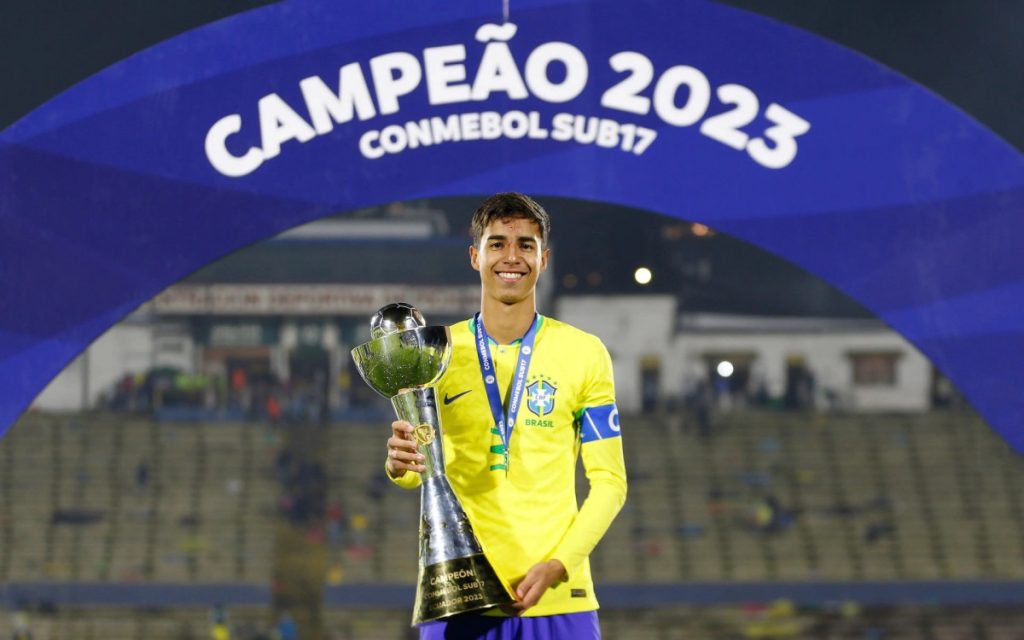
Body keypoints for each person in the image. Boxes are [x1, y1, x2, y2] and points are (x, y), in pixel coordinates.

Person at [385, 193, 627, 639]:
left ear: (544, 258)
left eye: (525, 245)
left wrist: (559, 565)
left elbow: (610, 483)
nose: (511, 257)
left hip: (560, 600)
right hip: (459, 593)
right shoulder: (435, 353)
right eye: (497, 244)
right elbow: (421, 473)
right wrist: (400, 464)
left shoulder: (584, 353)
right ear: (475, 256)